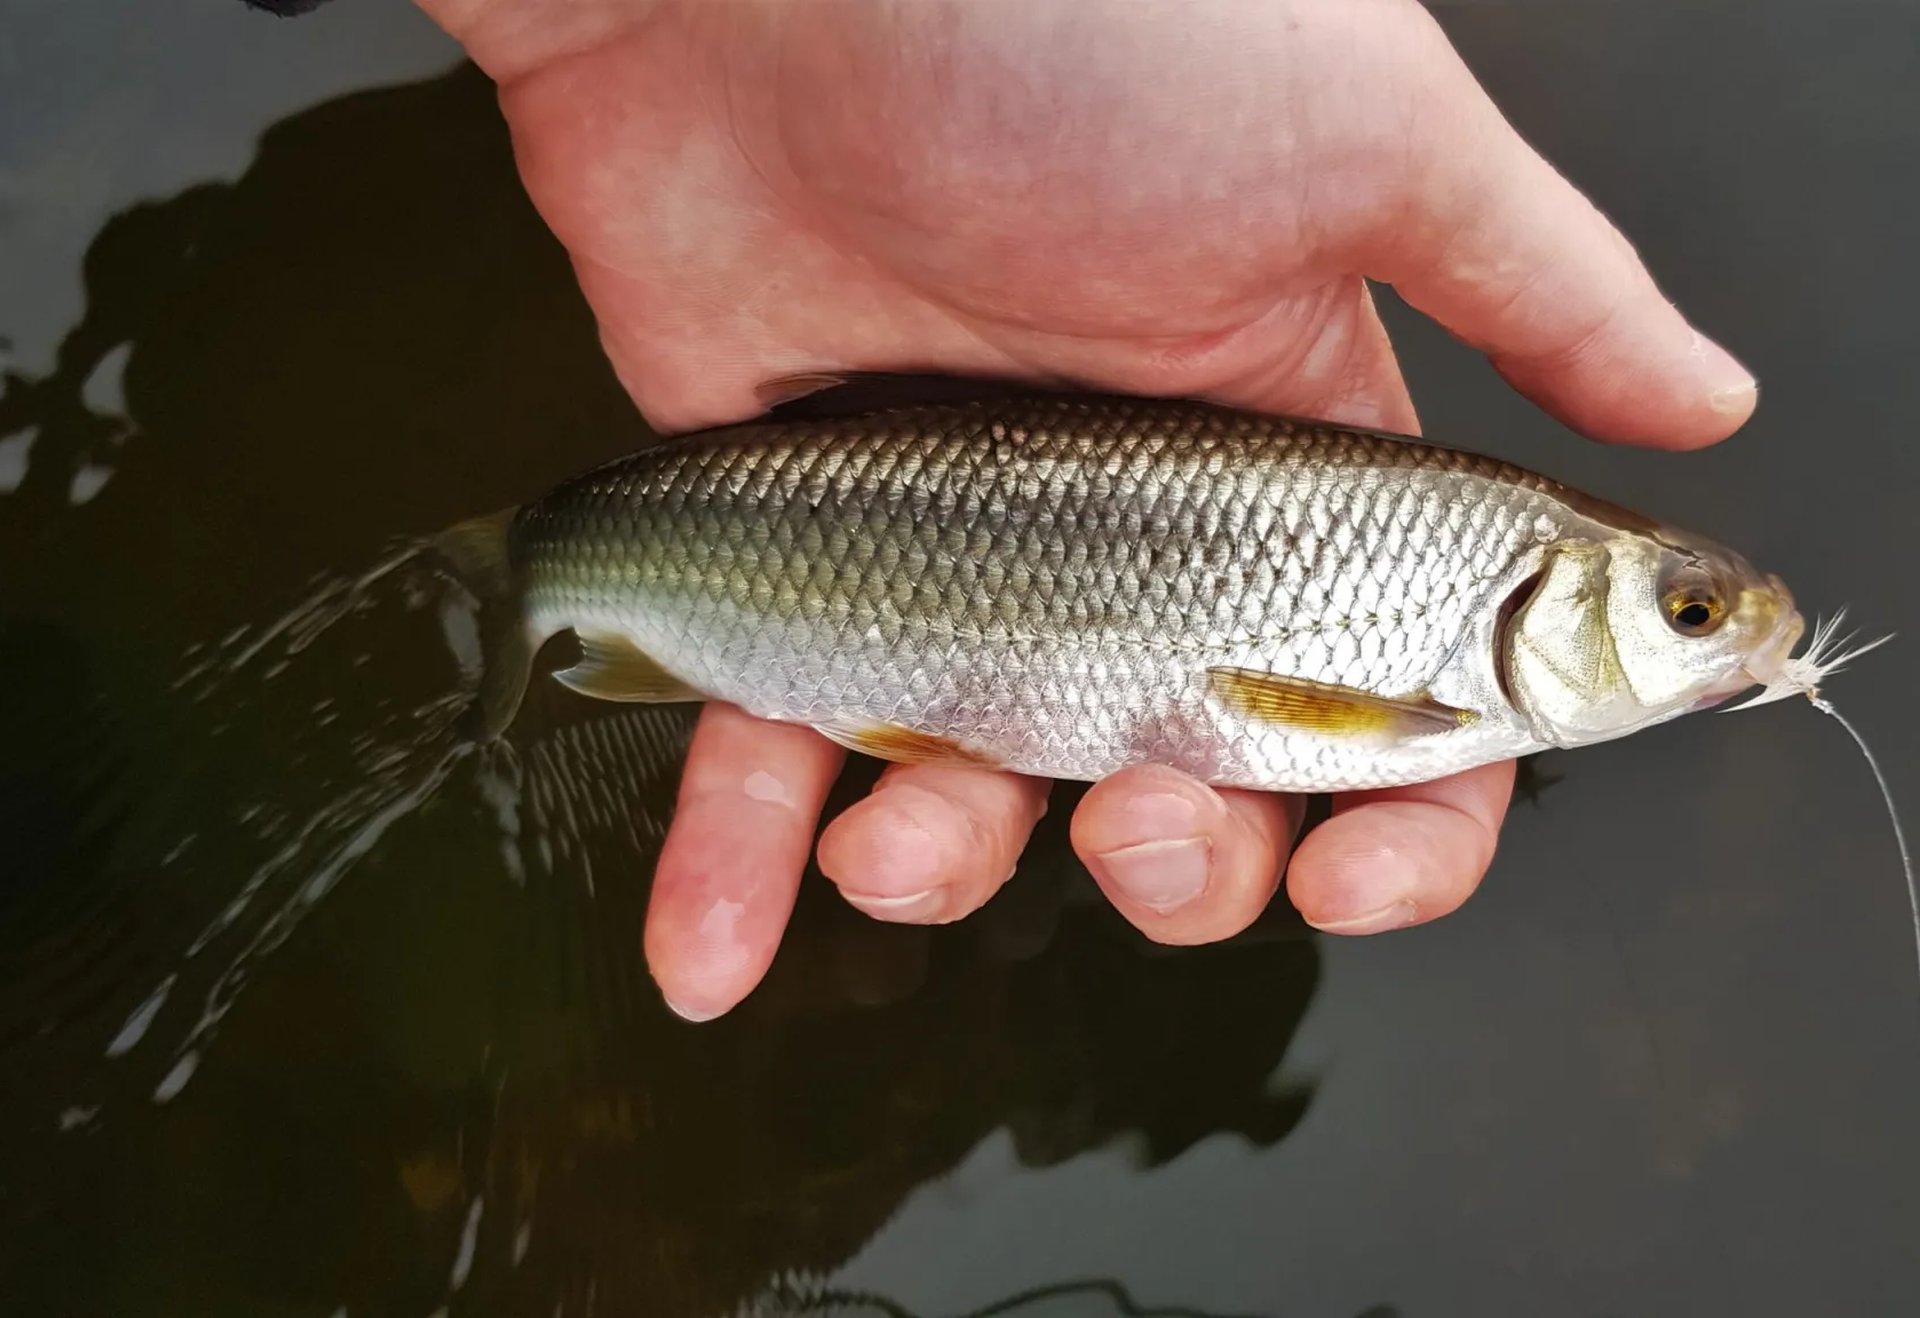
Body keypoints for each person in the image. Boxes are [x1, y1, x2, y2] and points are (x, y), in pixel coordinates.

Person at [254, 0, 1756, 1022]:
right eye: (1688, 609)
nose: (1711, 633)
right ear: (1550, 589)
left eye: (1696, 618)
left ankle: (528, 576)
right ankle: (527, 578)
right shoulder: (1434, 694)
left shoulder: (1456, 654)